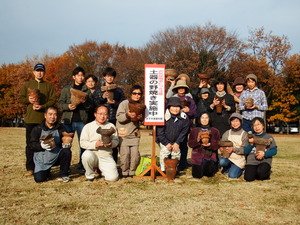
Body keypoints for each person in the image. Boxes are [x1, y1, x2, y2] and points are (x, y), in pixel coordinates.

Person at [19, 63, 56, 176]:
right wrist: (28, 100)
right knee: (30, 144)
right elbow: (21, 99)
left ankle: (44, 166)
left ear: (44, 72)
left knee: (45, 142)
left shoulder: (49, 86)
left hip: (43, 119)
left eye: (41, 71)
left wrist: (43, 106)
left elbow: (53, 100)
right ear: (34, 72)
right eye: (37, 71)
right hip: (30, 119)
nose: (39, 73)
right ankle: (30, 167)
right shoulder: (27, 85)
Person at [58, 66, 92, 171]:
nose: (81, 77)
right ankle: (65, 167)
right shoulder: (66, 89)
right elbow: (60, 104)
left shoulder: (87, 90)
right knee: (66, 144)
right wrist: (67, 106)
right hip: (68, 120)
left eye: (82, 75)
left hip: (82, 121)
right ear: (74, 77)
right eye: (78, 75)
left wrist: (85, 102)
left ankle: (82, 166)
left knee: (83, 144)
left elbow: (90, 107)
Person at [93, 67, 125, 163]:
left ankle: (114, 162)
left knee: (114, 141)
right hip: (102, 120)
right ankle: (98, 164)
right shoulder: (99, 90)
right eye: (108, 76)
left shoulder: (118, 90)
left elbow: (123, 104)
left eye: (111, 76)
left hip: (115, 119)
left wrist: (115, 103)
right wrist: (103, 97)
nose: (110, 78)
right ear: (104, 77)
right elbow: (94, 103)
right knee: (100, 140)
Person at [30, 107, 72, 183]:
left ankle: (63, 174)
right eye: (50, 114)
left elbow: (65, 141)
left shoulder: (60, 128)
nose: (52, 117)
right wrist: (41, 146)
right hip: (42, 159)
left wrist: (67, 144)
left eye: (55, 115)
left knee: (66, 152)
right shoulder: (37, 129)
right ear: (45, 115)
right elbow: (31, 145)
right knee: (39, 179)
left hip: (56, 156)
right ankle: (46, 171)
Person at [80, 105, 119, 182]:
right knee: (86, 155)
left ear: (107, 115)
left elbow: (116, 140)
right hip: (92, 154)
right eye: (100, 114)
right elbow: (82, 143)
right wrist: (95, 144)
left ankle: (102, 170)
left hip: (106, 155)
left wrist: (111, 144)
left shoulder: (111, 126)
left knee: (113, 178)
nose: (102, 116)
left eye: (105, 114)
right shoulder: (88, 126)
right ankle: (90, 175)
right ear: (95, 114)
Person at [116, 85, 144, 178]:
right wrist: (127, 115)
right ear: (131, 94)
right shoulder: (124, 103)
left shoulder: (141, 105)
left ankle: (132, 172)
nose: (137, 95)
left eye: (139, 94)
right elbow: (119, 117)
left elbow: (144, 119)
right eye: (134, 93)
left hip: (135, 133)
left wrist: (141, 118)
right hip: (123, 133)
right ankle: (124, 172)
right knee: (125, 154)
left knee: (135, 155)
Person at [156, 97, 190, 172]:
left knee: (176, 153)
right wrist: (166, 143)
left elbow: (184, 132)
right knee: (165, 152)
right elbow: (160, 133)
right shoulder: (163, 116)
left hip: (176, 141)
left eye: (177, 106)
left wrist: (177, 143)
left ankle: (174, 169)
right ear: (169, 107)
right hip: (164, 140)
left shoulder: (184, 117)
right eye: (173, 106)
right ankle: (163, 170)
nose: (175, 109)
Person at [171, 79, 196, 170]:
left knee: (183, 145)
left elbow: (194, 113)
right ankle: (172, 163)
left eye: (183, 88)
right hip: (173, 125)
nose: (181, 89)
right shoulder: (173, 99)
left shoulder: (189, 100)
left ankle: (182, 163)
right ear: (177, 89)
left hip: (185, 125)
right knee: (173, 144)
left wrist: (188, 111)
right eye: (179, 88)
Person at [244, 117, 277, 182]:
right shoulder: (250, 137)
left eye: (258, 124)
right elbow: (245, 151)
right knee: (248, 178)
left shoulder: (269, 137)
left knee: (262, 173)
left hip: (264, 161)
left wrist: (264, 153)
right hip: (252, 161)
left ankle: (265, 173)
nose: (257, 127)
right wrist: (251, 144)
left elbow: (274, 151)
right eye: (254, 125)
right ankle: (254, 172)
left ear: (263, 126)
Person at [188, 112, 220, 178]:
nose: (204, 120)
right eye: (202, 118)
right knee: (197, 175)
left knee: (208, 174)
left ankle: (212, 166)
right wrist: (197, 141)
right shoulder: (194, 130)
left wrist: (210, 145)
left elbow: (217, 145)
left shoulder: (215, 131)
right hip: (197, 156)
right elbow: (190, 144)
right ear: (199, 119)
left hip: (210, 156)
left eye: (206, 118)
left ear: (209, 119)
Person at [219, 113, 247, 179]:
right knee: (221, 162)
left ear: (240, 122)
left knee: (232, 176)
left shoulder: (244, 134)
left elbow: (245, 150)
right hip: (228, 156)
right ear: (230, 122)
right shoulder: (227, 133)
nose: (235, 123)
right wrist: (222, 148)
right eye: (233, 121)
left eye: (237, 121)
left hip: (239, 158)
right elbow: (222, 143)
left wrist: (233, 149)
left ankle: (240, 169)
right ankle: (228, 167)